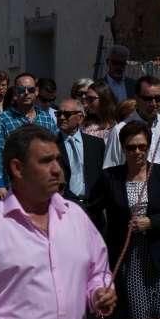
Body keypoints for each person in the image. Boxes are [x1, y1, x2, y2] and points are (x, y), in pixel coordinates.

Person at [0, 125, 117, 319]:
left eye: (58, 160)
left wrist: (99, 293)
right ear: (17, 168)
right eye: (45, 161)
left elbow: (97, 271)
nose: (57, 170)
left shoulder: (76, 216)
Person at [90, 121, 160, 319]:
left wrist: (152, 222)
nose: (137, 152)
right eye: (131, 147)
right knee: (137, 309)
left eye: (142, 146)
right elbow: (93, 208)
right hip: (129, 255)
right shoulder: (110, 177)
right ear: (123, 148)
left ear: (149, 146)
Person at [0, 73, 58, 200]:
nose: (26, 93)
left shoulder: (47, 118)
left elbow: (56, 151)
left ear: (37, 91)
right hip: (13, 186)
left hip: (42, 184)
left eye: (31, 89)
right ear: (15, 92)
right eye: (22, 90)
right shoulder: (3, 120)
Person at [55, 97, 106, 226]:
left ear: (80, 117)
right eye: (58, 114)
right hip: (64, 209)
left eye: (66, 114)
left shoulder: (96, 144)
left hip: (93, 210)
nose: (61, 117)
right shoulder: (51, 144)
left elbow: (103, 175)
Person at [104, 76, 160, 168]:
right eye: (148, 99)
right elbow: (110, 170)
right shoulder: (119, 130)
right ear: (136, 98)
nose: (154, 103)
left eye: (158, 98)